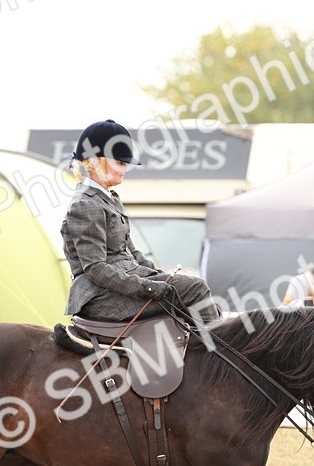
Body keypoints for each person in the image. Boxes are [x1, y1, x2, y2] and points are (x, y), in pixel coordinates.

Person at [61, 119, 218, 325]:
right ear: (97, 162)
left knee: (188, 288)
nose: (125, 168)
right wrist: (148, 287)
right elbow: (96, 268)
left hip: (122, 282)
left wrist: (161, 276)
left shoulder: (111, 198)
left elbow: (131, 253)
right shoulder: (85, 204)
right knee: (195, 288)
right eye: (120, 162)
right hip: (100, 295)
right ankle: (215, 352)